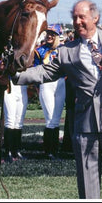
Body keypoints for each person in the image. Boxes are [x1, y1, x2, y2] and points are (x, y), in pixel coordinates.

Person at [13, 0, 102, 199]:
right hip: (85, 123)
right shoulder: (66, 51)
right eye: (74, 17)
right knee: (87, 184)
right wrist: (14, 75)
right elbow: (44, 72)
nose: (77, 21)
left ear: (95, 18)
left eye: (82, 17)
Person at [34, 24, 66, 159]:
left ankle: (55, 150)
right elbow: (35, 70)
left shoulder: (63, 50)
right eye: (48, 33)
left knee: (57, 119)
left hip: (60, 83)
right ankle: (49, 151)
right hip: (46, 84)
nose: (49, 36)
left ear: (58, 36)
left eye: (53, 34)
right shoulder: (40, 50)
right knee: (50, 120)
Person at [3, 82, 28, 161]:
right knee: (10, 121)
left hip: (22, 87)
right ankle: (8, 152)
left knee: (19, 122)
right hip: (10, 86)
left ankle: (16, 150)